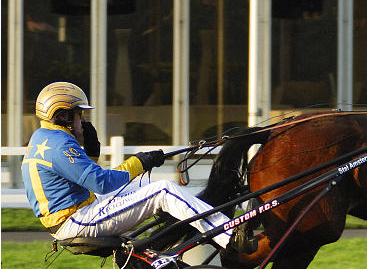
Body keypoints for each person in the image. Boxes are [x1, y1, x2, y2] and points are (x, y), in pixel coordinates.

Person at [22, 81, 250, 254]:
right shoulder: (60, 143)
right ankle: (228, 235)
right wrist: (140, 162)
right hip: (77, 221)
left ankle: (161, 239)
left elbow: (76, 178)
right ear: (63, 115)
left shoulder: (45, 137)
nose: (82, 118)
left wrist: (91, 152)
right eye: (79, 113)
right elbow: (101, 183)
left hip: (77, 215)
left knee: (149, 186)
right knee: (163, 191)